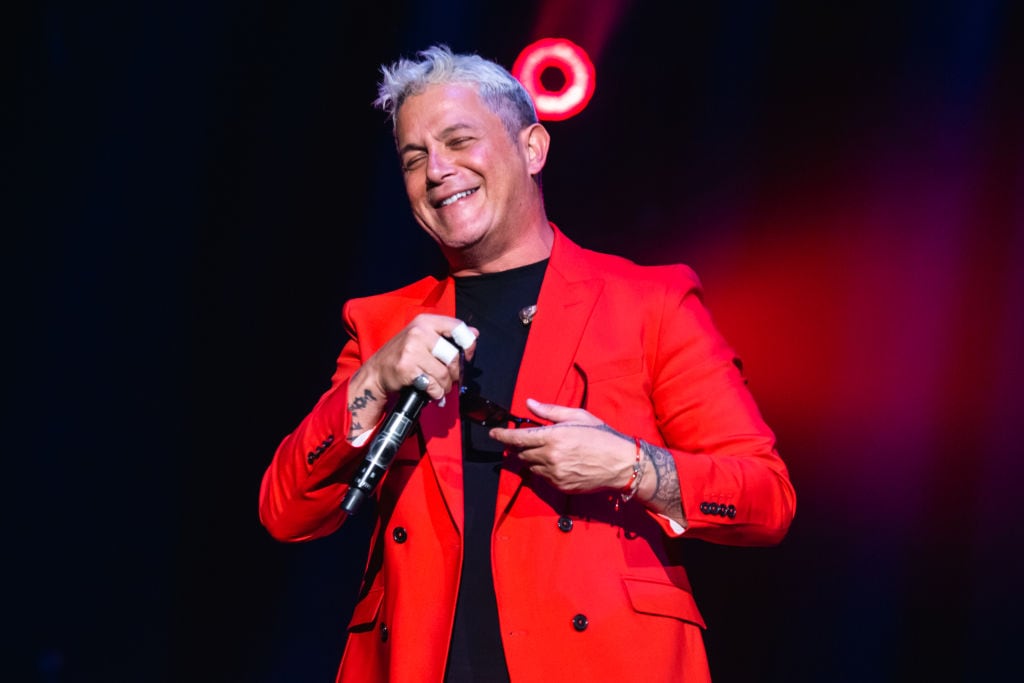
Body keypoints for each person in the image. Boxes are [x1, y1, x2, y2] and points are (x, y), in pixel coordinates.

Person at [259, 43, 796, 683]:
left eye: (459, 141)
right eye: (414, 157)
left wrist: (632, 467)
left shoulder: (650, 302)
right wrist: (374, 379)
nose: (437, 170)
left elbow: (766, 499)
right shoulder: (384, 324)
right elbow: (286, 511)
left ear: (533, 148)